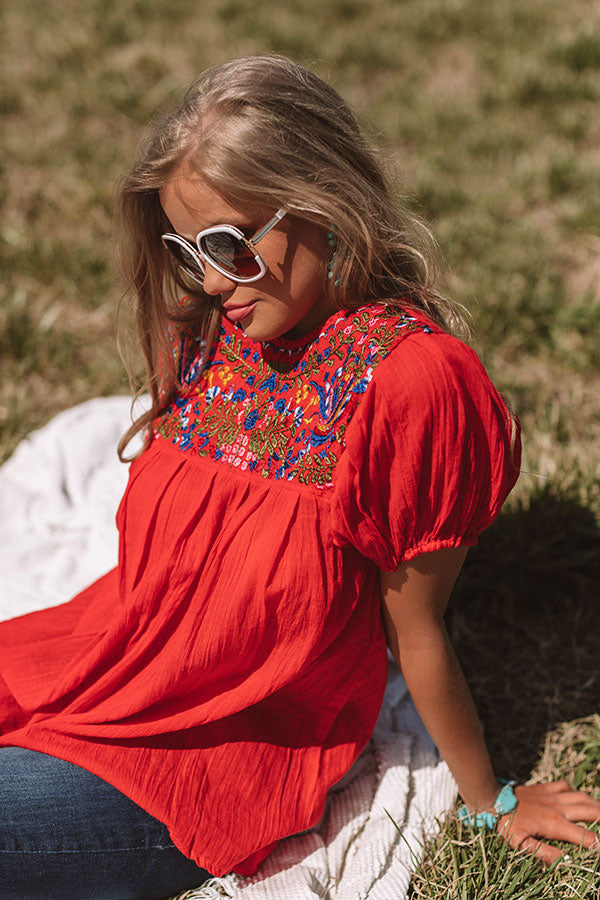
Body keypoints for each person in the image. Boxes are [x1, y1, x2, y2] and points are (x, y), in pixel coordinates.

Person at [0, 54, 598, 900]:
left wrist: (490, 799)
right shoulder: (209, 330)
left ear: (320, 205)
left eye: (229, 244)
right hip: (97, 663)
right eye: (187, 248)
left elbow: (415, 629)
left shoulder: (412, 384)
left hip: (212, 759)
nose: (209, 279)